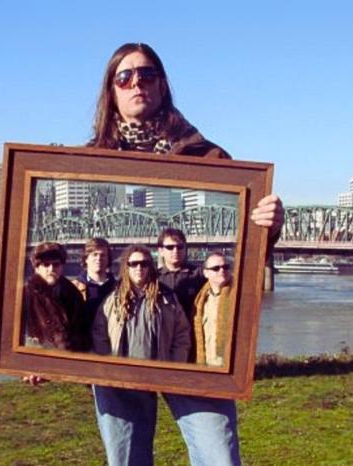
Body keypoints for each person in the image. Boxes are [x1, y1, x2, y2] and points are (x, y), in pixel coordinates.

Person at [89, 42, 285, 466]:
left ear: (162, 85)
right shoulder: (84, 163)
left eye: (147, 74)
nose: (136, 83)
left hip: (194, 346)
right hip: (120, 339)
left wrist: (268, 228)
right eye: (125, 77)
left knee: (219, 458)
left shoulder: (206, 157)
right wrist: (39, 348)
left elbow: (241, 251)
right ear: (111, 90)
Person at [22, 242, 89, 352]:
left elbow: (82, 332)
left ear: (62, 266)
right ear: (37, 268)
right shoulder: (26, 294)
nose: (51, 268)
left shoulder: (73, 294)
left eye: (56, 264)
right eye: (46, 264)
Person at [192, 252, 233, 367]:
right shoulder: (200, 301)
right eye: (216, 268)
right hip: (205, 364)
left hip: (228, 365)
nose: (222, 270)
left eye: (225, 267)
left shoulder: (238, 296)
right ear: (206, 273)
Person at [157, 227, 205, 320]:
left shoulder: (199, 275)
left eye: (180, 247)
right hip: (164, 332)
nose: (175, 251)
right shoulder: (154, 278)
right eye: (170, 247)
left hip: (191, 331)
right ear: (161, 251)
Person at [71, 238, 117, 331]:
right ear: (86, 259)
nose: (99, 258)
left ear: (108, 259)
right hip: (84, 343)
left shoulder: (118, 288)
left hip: (111, 343)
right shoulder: (73, 288)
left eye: (103, 255)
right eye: (94, 254)